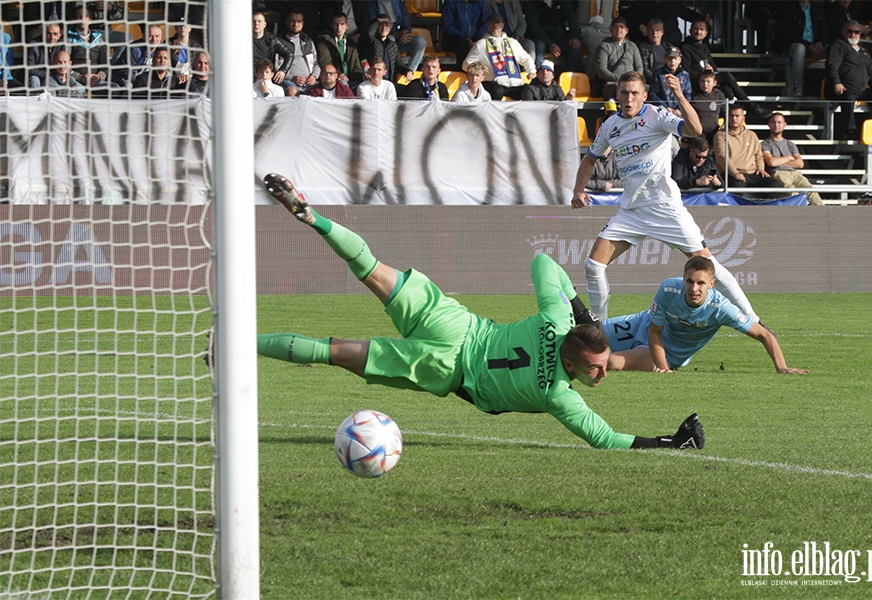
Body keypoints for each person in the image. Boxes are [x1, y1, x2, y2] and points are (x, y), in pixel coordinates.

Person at [256, 171, 706, 450]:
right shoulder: (558, 394)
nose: (603, 374)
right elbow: (606, 439)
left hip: (455, 321)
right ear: (570, 364)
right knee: (333, 351)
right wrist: (669, 442)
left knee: (370, 267)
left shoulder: (557, 321)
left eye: (603, 365)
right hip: (446, 367)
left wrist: (581, 315)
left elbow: (543, 262)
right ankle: (240, 347)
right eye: (595, 369)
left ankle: (313, 217)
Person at [571, 71, 761, 326]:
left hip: (665, 207)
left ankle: (754, 319)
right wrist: (578, 190)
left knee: (708, 263)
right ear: (617, 96)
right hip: (632, 211)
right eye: (624, 93)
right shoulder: (610, 126)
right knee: (593, 265)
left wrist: (680, 96)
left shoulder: (656, 116)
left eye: (635, 93)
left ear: (644, 96)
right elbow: (590, 158)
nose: (629, 98)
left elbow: (694, 130)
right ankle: (600, 331)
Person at [603, 256, 808, 375]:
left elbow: (764, 334)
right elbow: (654, 331)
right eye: (690, 281)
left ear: (711, 285)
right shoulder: (668, 288)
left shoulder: (721, 308)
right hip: (643, 324)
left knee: (611, 362)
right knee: (587, 331)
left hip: (661, 354)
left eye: (701, 283)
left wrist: (782, 367)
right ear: (683, 279)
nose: (694, 288)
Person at [680, 19, 770, 120]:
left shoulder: (704, 48)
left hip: (710, 80)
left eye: (701, 29)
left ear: (706, 33)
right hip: (698, 82)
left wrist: (711, 70)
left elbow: (714, 68)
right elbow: (686, 71)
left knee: (728, 89)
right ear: (690, 31)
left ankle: (733, 116)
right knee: (726, 76)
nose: (698, 32)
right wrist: (703, 73)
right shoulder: (685, 48)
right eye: (696, 29)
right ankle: (752, 107)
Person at [825, 20, 872, 140]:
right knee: (848, 97)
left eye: (856, 32)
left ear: (860, 33)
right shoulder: (838, 45)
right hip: (843, 88)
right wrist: (837, 82)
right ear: (843, 32)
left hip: (861, 90)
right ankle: (850, 131)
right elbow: (832, 66)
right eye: (849, 31)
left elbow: (871, 72)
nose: (853, 35)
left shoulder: (864, 51)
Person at [463, 11, 535, 101]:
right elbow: (466, 63)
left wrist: (531, 70)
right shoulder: (481, 44)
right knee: (497, 90)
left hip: (513, 82)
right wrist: (479, 67)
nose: (495, 25)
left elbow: (526, 58)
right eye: (492, 22)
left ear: (502, 25)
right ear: (487, 25)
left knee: (529, 90)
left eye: (497, 22)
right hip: (493, 82)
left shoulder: (512, 42)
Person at [714, 104, 784, 192]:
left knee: (774, 185)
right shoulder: (720, 135)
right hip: (731, 174)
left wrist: (761, 169)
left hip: (752, 173)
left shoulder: (752, 135)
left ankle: (761, 205)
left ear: (743, 118)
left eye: (737, 116)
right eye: (731, 116)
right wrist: (735, 173)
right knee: (737, 185)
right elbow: (721, 156)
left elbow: (758, 155)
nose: (734, 118)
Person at [760, 113, 824, 206]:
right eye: (774, 122)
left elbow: (800, 164)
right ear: (769, 124)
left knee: (812, 192)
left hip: (795, 173)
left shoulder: (790, 144)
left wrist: (780, 161)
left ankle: (824, 215)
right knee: (793, 194)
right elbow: (771, 162)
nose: (776, 125)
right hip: (778, 173)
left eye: (779, 122)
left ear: (785, 125)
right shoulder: (765, 144)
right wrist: (789, 157)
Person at [776, 0, 828, 97]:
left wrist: (821, 43)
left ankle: (832, 88)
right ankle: (798, 87)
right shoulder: (789, 8)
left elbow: (824, 30)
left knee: (835, 49)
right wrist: (809, 45)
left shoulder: (817, 9)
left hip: (815, 46)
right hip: (794, 46)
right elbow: (789, 34)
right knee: (800, 48)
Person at [363, 0, 426, 73]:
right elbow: (373, 24)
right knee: (390, 39)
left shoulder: (399, 2)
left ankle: (410, 71)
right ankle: (385, 71)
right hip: (381, 39)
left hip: (399, 39)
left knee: (421, 41)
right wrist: (395, 34)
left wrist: (404, 34)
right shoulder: (372, 3)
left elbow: (406, 22)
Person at [67, 5, 116, 92]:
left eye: (85, 16)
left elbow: (104, 65)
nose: (82, 18)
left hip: (96, 82)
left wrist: (99, 77)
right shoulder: (68, 40)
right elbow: (64, 66)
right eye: (79, 16)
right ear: (75, 19)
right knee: (79, 90)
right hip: (76, 81)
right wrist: (80, 77)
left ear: (90, 20)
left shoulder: (98, 39)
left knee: (114, 88)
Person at [524, 0, 583, 73]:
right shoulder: (532, 4)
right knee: (539, 47)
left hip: (559, 41)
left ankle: (569, 78)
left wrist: (575, 36)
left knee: (575, 48)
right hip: (540, 40)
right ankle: (540, 77)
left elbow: (572, 20)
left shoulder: (562, 2)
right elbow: (534, 28)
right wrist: (550, 44)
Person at [595, 17, 642, 99]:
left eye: (621, 27)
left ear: (626, 30)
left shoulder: (632, 46)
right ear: (611, 29)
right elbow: (601, 69)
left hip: (632, 82)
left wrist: (634, 80)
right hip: (612, 83)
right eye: (616, 26)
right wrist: (619, 80)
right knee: (615, 89)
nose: (618, 29)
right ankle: (612, 111)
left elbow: (639, 67)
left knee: (648, 89)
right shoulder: (604, 46)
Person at [317, 12, 365, 88]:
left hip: (350, 79)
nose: (339, 28)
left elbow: (356, 66)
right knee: (343, 85)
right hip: (333, 78)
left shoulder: (351, 43)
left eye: (342, 24)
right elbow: (325, 62)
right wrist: (338, 74)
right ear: (331, 25)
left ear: (347, 26)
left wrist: (362, 76)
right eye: (336, 24)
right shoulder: (324, 41)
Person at [278, 9, 320, 96]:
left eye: (298, 21)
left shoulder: (308, 41)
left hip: (309, 82)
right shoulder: (279, 42)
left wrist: (314, 76)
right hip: (289, 81)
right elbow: (276, 67)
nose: (295, 24)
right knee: (291, 91)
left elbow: (317, 63)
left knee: (321, 91)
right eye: (292, 21)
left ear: (303, 23)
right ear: (287, 22)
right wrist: (291, 78)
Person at [364, 13, 412, 85]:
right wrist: (378, 20)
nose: (384, 28)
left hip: (389, 82)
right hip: (374, 81)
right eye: (381, 24)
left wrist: (408, 71)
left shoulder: (392, 45)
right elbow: (369, 33)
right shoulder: (372, 41)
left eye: (387, 25)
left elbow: (399, 64)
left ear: (390, 28)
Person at [441, 0, 489, 71]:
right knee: (464, 44)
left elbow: (485, 22)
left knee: (486, 43)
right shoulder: (450, 2)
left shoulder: (479, 2)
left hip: (475, 39)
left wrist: (477, 40)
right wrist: (465, 38)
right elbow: (448, 25)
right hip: (453, 39)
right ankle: (462, 73)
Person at [111, 23, 163, 87]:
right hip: (125, 78)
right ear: (144, 36)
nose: (154, 39)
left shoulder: (162, 49)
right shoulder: (135, 49)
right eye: (150, 36)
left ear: (161, 37)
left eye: (157, 36)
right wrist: (142, 82)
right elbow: (126, 71)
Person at [252, 9, 293, 84]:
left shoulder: (272, 40)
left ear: (265, 24)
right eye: (253, 21)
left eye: (259, 21)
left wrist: (283, 70)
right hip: (248, 76)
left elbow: (289, 54)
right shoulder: (242, 40)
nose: (256, 24)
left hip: (266, 76)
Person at [648, 47, 691, 115]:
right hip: (662, 110)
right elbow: (653, 94)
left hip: (680, 111)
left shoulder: (685, 75)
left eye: (675, 59)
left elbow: (688, 95)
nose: (672, 61)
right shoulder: (658, 74)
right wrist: (666, 107)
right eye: (670, 59)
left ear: (680, 60)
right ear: (665, 59)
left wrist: (679, 110)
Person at [689, 70, 727, 144]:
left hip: (714, 131)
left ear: (714, 83)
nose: (705, 84)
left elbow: (726, 112)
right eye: (702, 81)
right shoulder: (692, 96)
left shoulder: (719, 95)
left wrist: (724, 125)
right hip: (697, 131)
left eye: (708, 81)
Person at [26, 22, 64, 89]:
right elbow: (30, 69)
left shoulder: (63, 45)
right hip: (37, 75)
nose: (52, 37)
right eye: (49, 34)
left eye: (55, 34)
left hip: (55, 76)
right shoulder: (33, 45)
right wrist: (49, 75)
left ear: (59, 35)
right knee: (34, 80)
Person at [638, 18, 673, 84]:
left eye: (657, 30)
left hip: (668, 81)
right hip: (652, 82)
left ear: (662, 32)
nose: (654, 33)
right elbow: (644, 69)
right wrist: (658, 79)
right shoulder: (642, 47)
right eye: (652, 30)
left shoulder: (668, 47)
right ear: (647, 31)